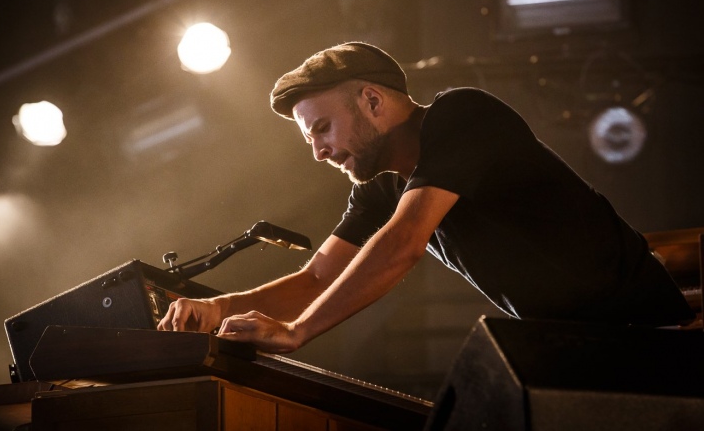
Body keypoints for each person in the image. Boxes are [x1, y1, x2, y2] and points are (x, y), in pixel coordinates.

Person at [158, 42, 693, 353]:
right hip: (571, 352)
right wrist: (217, 308)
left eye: (323, 129)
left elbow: (405, 242)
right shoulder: (380, 186)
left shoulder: (461, 116)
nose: (318, 152)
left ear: (371, 100)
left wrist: (297, 331)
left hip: (650, 335)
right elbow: (318, 277)